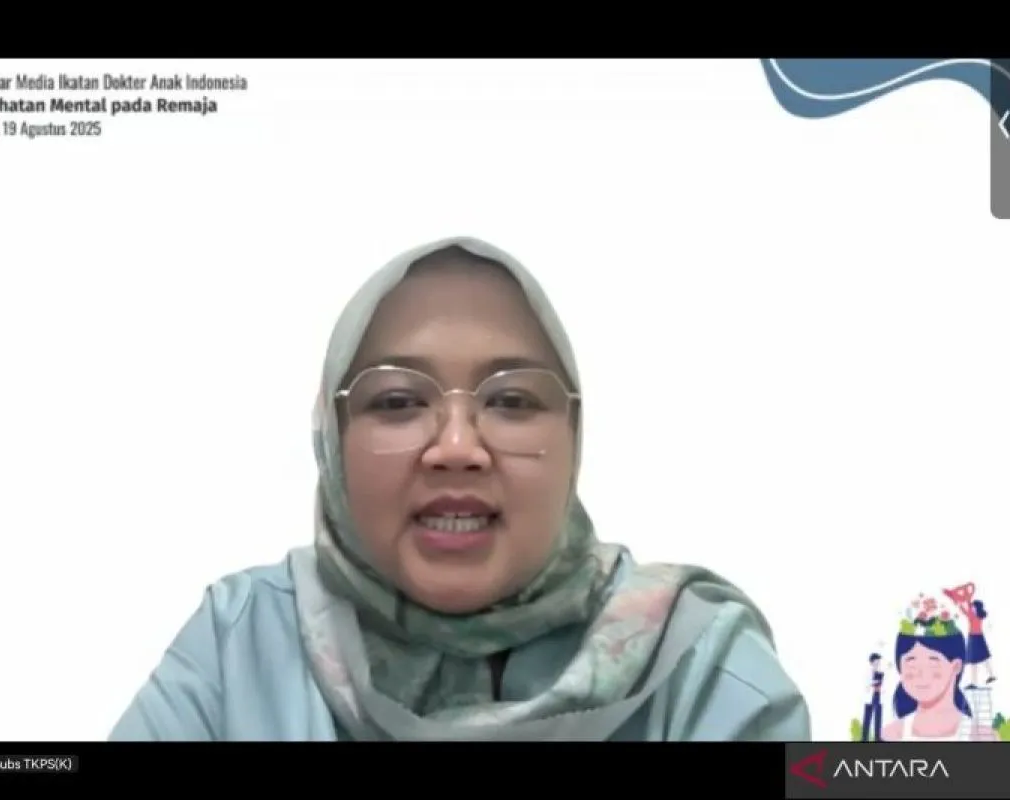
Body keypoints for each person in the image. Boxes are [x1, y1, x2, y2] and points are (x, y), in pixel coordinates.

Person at [109, 236, 811, 741]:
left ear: (574, 440)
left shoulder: (696, 665)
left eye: (511, 401)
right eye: (396, 402)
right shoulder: (242, 643)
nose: (455, 449)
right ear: (332, 438)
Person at [881, 605, 998, 741]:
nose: (921, 672)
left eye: (933, 661)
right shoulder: (891, 734)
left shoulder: (982, 737)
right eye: (911, 661)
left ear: (956, 666)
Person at [861, 652, 884, 741]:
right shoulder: (868, 672)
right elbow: (866, 684)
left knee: (878, 717)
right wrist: (875, 682)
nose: (878, 664)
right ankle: (864, 738)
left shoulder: (880, 672)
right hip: (870, 696)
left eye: (879, 662)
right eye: (876, 662)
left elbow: (883, 684)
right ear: (872, 662)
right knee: (867, 718)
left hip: (878, 695)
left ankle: (877, 738)